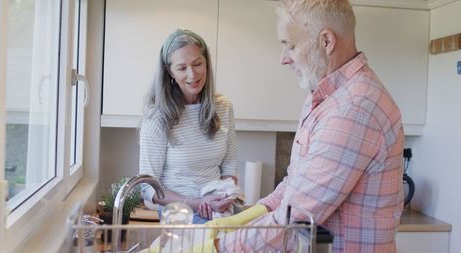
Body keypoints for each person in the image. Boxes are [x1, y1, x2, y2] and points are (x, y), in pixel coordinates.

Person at [206, 0, 405, 252]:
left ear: (326, 42)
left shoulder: (355, 107)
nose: (283, 59)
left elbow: (295, 218)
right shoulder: (322, 98)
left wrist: (212, 248)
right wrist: (245, 217)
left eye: (291, 45)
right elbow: (295, 184)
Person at [139, 29, 238, 224]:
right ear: (170, 72)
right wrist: (196, 202)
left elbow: (229, 166)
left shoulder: (223, 107)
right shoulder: (157, 116)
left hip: (220, 210)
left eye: (197, 64)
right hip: (179, 214)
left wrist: (225, 196)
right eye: (182, 68)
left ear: (206, 63)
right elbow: (148, 187)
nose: (192, 74)